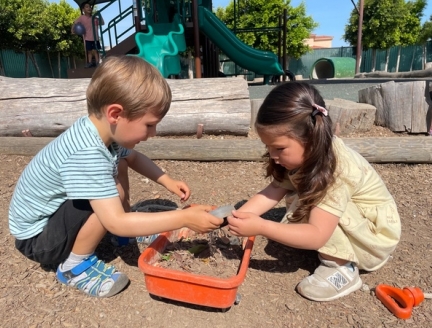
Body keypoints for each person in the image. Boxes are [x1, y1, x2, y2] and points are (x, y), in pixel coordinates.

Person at [9, 56, 223, 298]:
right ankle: (73, 268)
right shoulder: (87, 152)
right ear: (115, 113)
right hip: (39, 241)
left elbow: (132, 158)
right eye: (150, 125)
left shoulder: (101, 131)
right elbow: (115, 220)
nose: (153, 133)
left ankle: (123, 235)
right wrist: (183, 218)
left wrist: (167, 180)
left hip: (52, 218)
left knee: (119, 163)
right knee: (112, 194)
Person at [227, 82, 401, 302]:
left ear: (310, 138)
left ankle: (342, 270)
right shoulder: (308, 152)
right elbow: (275, 189)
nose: (272, 155)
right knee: (305, 200)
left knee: (312, 203)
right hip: (357, 221)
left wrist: (261, 226)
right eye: (267, 146)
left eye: (279, 148)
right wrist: (238, 217)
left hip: (373, 239)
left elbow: (318, 234)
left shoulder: (337, 170)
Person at [72, 1, 104, 68]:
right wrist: (72, 30)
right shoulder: (82, 17)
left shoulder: (94, 18)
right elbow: (75, 23)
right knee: (89, 51)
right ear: (83, 10)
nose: (89, 8)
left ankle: (97, 63)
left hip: (95, 38)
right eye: (87, 7)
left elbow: (102, 23)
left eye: (89, 7)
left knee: (96, 51)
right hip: (87, 38)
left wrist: (100, 15)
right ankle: (89, 63)